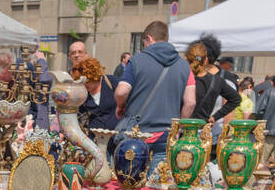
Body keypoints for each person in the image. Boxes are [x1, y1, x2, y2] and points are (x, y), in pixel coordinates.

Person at [114, 21, 193, 173]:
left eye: (144, 43)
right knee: (156, 187)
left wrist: (120, 105)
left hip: (136, 134)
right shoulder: (184, 66)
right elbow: (190, 102)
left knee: (130, 181)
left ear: (149, 38)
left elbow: (121, 91)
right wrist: (178, 127)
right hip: (166, 134)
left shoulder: (136, 60)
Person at [186, 34, 241, 156]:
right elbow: (235, 100)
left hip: (209, 136)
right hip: (208, 135)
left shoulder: (224, 80)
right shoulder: (219, 80)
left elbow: (229, 116)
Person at [73, 57, 118, 130]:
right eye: (82, 83)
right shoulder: (84, 94)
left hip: (116, 134)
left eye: (87, 82)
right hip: (94, 137)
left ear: (94, 76)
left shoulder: (111, 81)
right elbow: (79, 115)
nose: (84, 85)